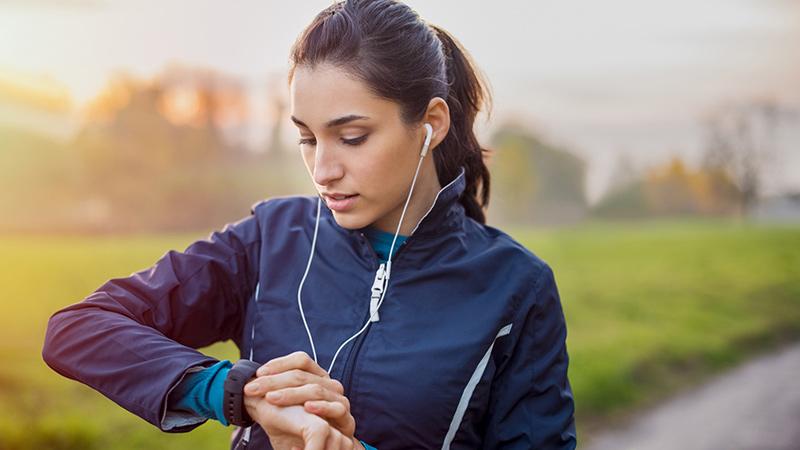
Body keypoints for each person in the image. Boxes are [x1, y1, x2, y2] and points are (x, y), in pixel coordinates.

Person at [41, 0, 577, 448]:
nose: (323, 169)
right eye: (307, 138)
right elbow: (78, 330)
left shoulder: (516, 287)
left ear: (431, 125)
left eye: (351, 137)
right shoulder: (270, 238)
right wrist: (235, 390)